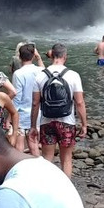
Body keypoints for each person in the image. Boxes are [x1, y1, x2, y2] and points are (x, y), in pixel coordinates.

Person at [31, 44, 87, 178]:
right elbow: (79, 102)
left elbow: (35, 103)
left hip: (46, 121)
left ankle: (46, 189)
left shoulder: (40, 76)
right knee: (66, 159)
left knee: (46, 158)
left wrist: (33, 125)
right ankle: (65, 192)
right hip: (67, 122)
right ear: (65, 56)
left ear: (51, 55)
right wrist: (84, 124)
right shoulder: (73, 75)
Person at [11, 44, 43, 155]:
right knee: (34, 143)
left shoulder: (18, 73)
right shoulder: (40, 71)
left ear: (19, 57)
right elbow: (45, 71)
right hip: (37, 113)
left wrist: (10, 115)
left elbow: (17, 97)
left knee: (19, 144)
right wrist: (39, 58)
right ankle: (38, 166)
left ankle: (20, 166)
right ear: (34, 56)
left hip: (22, 114)